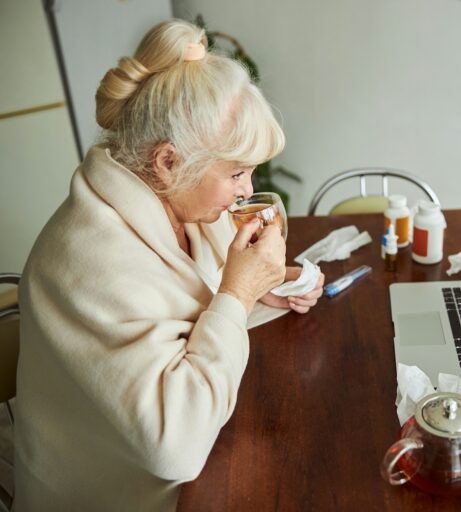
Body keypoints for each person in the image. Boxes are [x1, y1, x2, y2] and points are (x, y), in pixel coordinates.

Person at [14, 20, 323, 511]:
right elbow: (175, 449)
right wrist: (237, 296)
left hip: (209, 457)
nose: (247, 190)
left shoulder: (186, 204)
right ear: (168, 162)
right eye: (237, 173)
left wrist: (263, 289)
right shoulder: (91, 263)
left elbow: (206, 310)